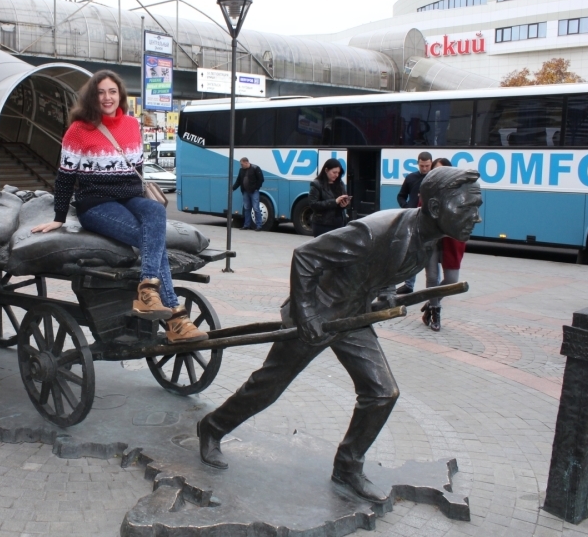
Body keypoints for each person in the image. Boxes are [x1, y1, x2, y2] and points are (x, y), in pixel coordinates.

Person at [196, 167, 483, 503]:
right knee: (268, 386)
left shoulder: (426, 236)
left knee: (382, 392)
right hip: (317, 312)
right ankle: (212, 427)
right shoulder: (374, 231)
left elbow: (384, 265)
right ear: (435, 209)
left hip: (353, 316)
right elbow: (305, 256)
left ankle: (348, 466)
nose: (476, 218)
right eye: (468, 208)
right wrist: (307, 315)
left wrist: (387, 290)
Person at [30, 70, 206, 344]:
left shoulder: (131, 125)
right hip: (96, 204)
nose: (107, 97)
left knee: (156, 212)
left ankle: (148, 290)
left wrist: (140, 200)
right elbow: (65, 177)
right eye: (100, 92)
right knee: (151, 240)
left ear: (120, 95)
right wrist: (59, 216)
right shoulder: (78, 130)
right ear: (92, 97)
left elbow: (136, 168)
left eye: (112, 91)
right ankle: (175, 318)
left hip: (130, 196)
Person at [420, 158, 467, 332]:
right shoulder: (427, 190)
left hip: (451, 241)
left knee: (451, 280)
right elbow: (421, 213)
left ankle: (431, 301)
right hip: (432, 240)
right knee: (432, 277)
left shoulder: (459, 191)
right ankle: (435, 313)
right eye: (436, 171)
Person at [393, 151, 432, 295]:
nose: (425, 169)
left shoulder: (434, 178)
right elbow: (401, 195)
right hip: (413, 218)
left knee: (430, 254)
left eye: (427, 166)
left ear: (431, 164)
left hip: (428, 220)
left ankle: (432, 286)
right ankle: (409, 284)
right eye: (422, 166)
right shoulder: (411, 178)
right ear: (418, 163)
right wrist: (406, 207)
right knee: (411, 252)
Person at [306, 158, 351, 237]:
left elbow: (343, 203)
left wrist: (345, 204)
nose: (336, 175)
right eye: (334, 172)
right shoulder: (316, 184)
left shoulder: (340, 183)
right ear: (326, 170)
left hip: (339, 224)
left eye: (338, 173)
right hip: (323, 225)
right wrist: (334, 202)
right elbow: (313, 204)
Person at [231, 157, 265, 231]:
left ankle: (258, 225)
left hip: (254, 191)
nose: (241, 165)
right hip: (245, 191)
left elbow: (261, 179)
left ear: (246, 162)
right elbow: (238, 181)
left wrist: (256, 188)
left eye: (242, 164)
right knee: (246, 208)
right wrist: (233, 188)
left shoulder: (255, 168)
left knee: (256, 208)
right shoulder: (241, 170)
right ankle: (246, 225)